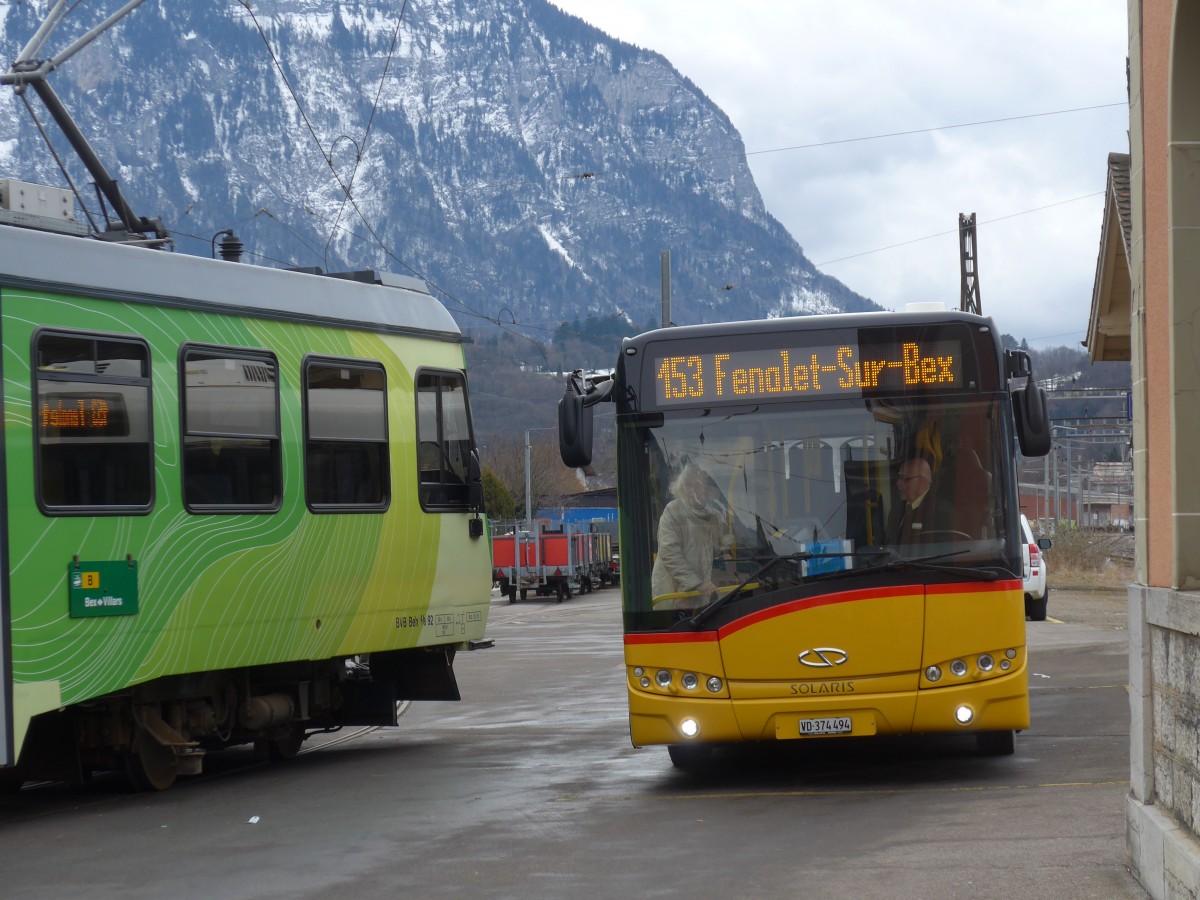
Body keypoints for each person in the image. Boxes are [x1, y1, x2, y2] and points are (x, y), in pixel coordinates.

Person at [651, 464, 730, 600]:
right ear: (681, 488)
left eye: (698, 486)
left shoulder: (713, 517)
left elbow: (720, 545)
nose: (693, 491)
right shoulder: (672, 512)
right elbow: (670, 553)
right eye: (688, 485)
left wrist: (725, 552)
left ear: (705, 490)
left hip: (701, 593)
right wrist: (696, 583)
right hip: (673, 596)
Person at [885, 456, 941, 546]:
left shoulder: (940, 512)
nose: (898, 484)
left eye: (904, 478)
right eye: (899, 477)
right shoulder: (896, 510)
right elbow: (886, 544)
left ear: (922, 482)